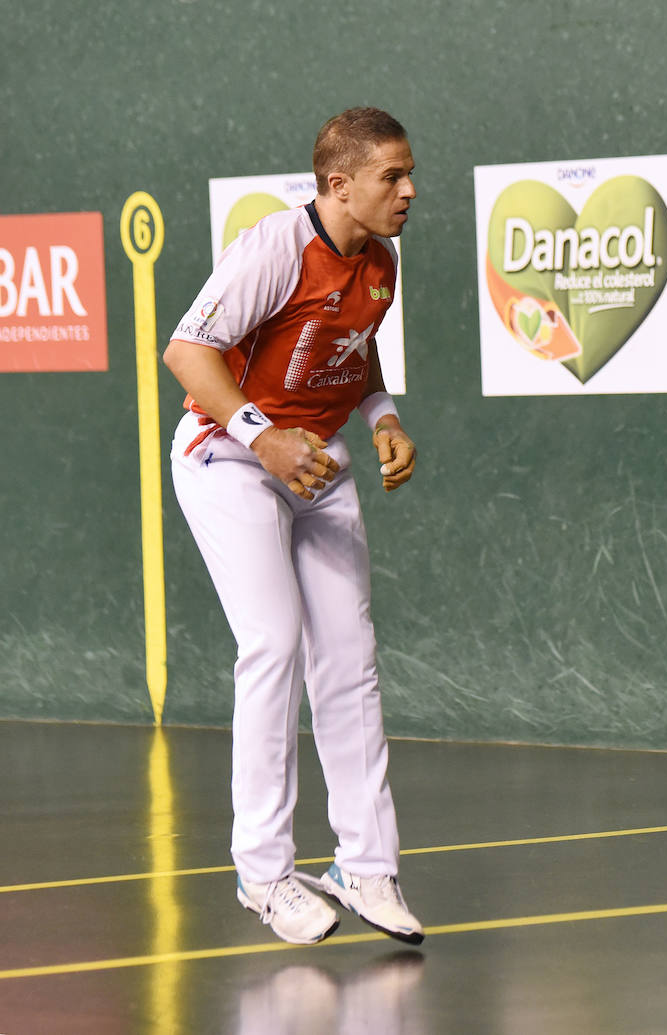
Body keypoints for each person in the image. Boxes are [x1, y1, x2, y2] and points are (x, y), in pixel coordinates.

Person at [163, 106, 424, 945]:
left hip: (316, 461)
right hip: (227, 456)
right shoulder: (273, 248)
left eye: (410, 173)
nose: (411, 190)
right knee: (272, 642)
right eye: (394, 176)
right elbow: (187, 352)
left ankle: (366, 865)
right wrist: (260, 436)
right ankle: (264, 874)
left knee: (348, 656)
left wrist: (381, 415)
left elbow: (358, 348)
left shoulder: (379, 259)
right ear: (339, 184)